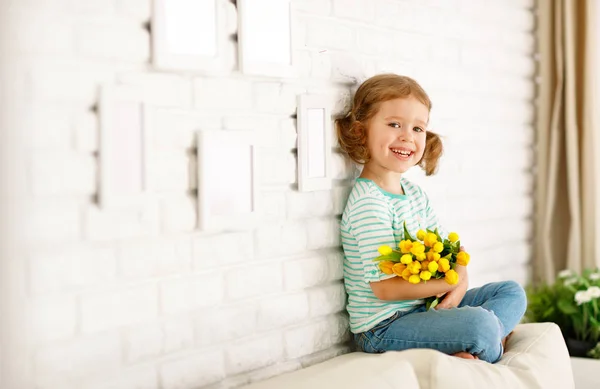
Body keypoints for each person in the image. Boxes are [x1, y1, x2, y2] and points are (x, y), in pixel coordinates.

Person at [336, 74, 527, 363]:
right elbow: (384, 288)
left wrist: (459, 283)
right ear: (362, 132)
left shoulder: (414, 195)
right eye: (394, 124)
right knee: (480, 323)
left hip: (428, 306)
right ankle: (488, 341)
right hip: (385, 327)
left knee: (511, 292)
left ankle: (480, 341)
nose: (407, 137)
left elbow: (454, 256)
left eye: (417, 128)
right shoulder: (368, 204)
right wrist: (445, 285)